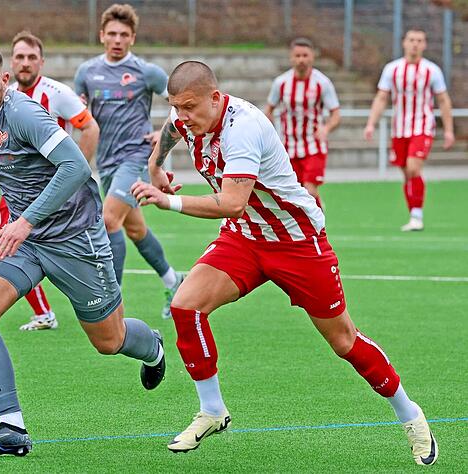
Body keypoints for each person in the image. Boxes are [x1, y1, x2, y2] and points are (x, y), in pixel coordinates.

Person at [131, 60, 438, 466]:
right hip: (245, 238)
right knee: (186, 306)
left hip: (297, 243)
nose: (182, 115)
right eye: (177, 106)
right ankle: (212, 410)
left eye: (189, 107)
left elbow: (232, 203)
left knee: (343, 340)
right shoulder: (186, 115)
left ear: (216, 98)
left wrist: (167, 200)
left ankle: (410, 414)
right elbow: (171, 131)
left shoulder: (243, 129)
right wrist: (156, 166)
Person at [0, 40, 165, 458]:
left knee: (109, 340)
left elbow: (75, 167)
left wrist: (25, 221)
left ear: (4, 80)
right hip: (23, 240)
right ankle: (12, 427)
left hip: (76, 237)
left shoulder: (24, 114)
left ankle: (153, 347)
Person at [73, 3, 181, 319]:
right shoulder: (86, 73)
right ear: (102, 35)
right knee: (135, 230)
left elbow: (181, 103)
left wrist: (163, 132)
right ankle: (174, 281)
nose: (117, 40)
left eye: (124, 34)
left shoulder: (147, 72)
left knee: (109, 221)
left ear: (132, 38)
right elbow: (77, 112)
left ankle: (112, 300)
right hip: (106, 163)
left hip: (135, 159)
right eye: (112, 34)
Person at [5, 30, 100, 331]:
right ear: (11, 61)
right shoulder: (5, 95)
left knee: (68, 245)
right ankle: (43, 312)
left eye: (32, 57)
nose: (25, 63)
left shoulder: (57, 93)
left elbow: (90, 128)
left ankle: (98, 302)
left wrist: (76, 174)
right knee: (8, 237)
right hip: (18, 188)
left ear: (41, 62)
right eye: (20, 57)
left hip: (52, 186)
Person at [364, 29, 454, 231]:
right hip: (399, 128)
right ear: (404, 43)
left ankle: (417, 215)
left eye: (419, 40)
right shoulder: (392, 69)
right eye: (411, 40)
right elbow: (381, 97)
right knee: (407, 173)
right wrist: (371, 123)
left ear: (424, 45)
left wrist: (448, 130)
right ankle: (413, 213)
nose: (415, 44)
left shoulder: (432, 70)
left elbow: (443, 100)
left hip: (422, 126)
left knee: (414, 168)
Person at [264, 37, 340, 209]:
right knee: (295, 193)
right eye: (297, 56)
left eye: (305, 55)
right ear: (291, 58)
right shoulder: (281, 83)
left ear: (312, 57)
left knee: (309, 189)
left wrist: (326, 128)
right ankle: (311, 218)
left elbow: (336, 114)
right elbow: (268, 110)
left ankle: (318, 222)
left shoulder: (322, 82)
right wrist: (270, 133)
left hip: (314, 145)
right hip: (289, 147)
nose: (301, 60)